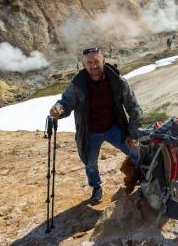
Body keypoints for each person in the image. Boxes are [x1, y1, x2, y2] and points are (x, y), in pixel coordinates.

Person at [49, 47, 142, 205]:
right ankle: (96, 187)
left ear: (103, 61)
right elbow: (65, 102)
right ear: (83, 65)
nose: (93, 66)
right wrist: (58, 109)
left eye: (97, 61)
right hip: (90, 132)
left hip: (114, 128)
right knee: (90, 163)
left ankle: (142, 177)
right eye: (89, 62)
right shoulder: (77, 85)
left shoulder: (116, 81)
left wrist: (132, 134)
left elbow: (134, 108)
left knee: (136, 152)